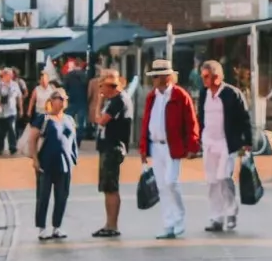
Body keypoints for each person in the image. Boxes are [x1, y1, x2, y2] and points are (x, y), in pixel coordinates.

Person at [139, 59, 198, 240]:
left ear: (166, 77)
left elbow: (191, 122)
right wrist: (143, 148)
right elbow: (146, 122)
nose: (153, 80)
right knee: (162, 186)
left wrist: (192, 145)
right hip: (156, 146)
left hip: (172, 146)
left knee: (171, 182)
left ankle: (179, 218)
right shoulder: (152, 97)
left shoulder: (180, 95)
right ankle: (168, 223)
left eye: (156, 76)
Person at [195, 60, 253, 233]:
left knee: (224, 178)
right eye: (202, 76)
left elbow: (244, 118)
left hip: (226, 143)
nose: (204, 80)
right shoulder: (204, 93)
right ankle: (216, 217)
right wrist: (198, 137)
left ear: (217, 77)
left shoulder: (232, 94)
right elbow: (201, 117)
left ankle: (231, 211)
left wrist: (247, 141)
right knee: (212, 181)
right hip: (209, 142)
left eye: (206, 76)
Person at [32, 90, 79, 240]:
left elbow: (73, 140)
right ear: (52, 100)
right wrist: (35, 159)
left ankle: (57, 227)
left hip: (65, 164)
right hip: (46, 163)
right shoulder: (43, 118)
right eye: (60, 98)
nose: (63, 101)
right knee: (43, 196)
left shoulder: (69, 119)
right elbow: (32, 139)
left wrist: (74, 157)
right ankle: (41, 228)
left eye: (65, 98)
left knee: (62, 196)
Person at [92, 68, 130, 238]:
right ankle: (109, 223)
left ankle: (112, 225)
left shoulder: (118, 101)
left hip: (113, 147)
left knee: (111, 187)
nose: (101, 89)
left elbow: (100, 120)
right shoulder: (114, 100)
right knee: (107, 187)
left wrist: (98, 103)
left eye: (103, 86)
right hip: (108, 146)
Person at [0, 67, 23, 155]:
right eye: (8, 74)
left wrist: (21, 108)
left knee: (11, 129)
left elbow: (19, 97)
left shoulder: (15, 85)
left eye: (11, 74)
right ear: (3, 75)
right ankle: (0, 149)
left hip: (11, 112)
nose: (10, 76)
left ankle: (12, 147)